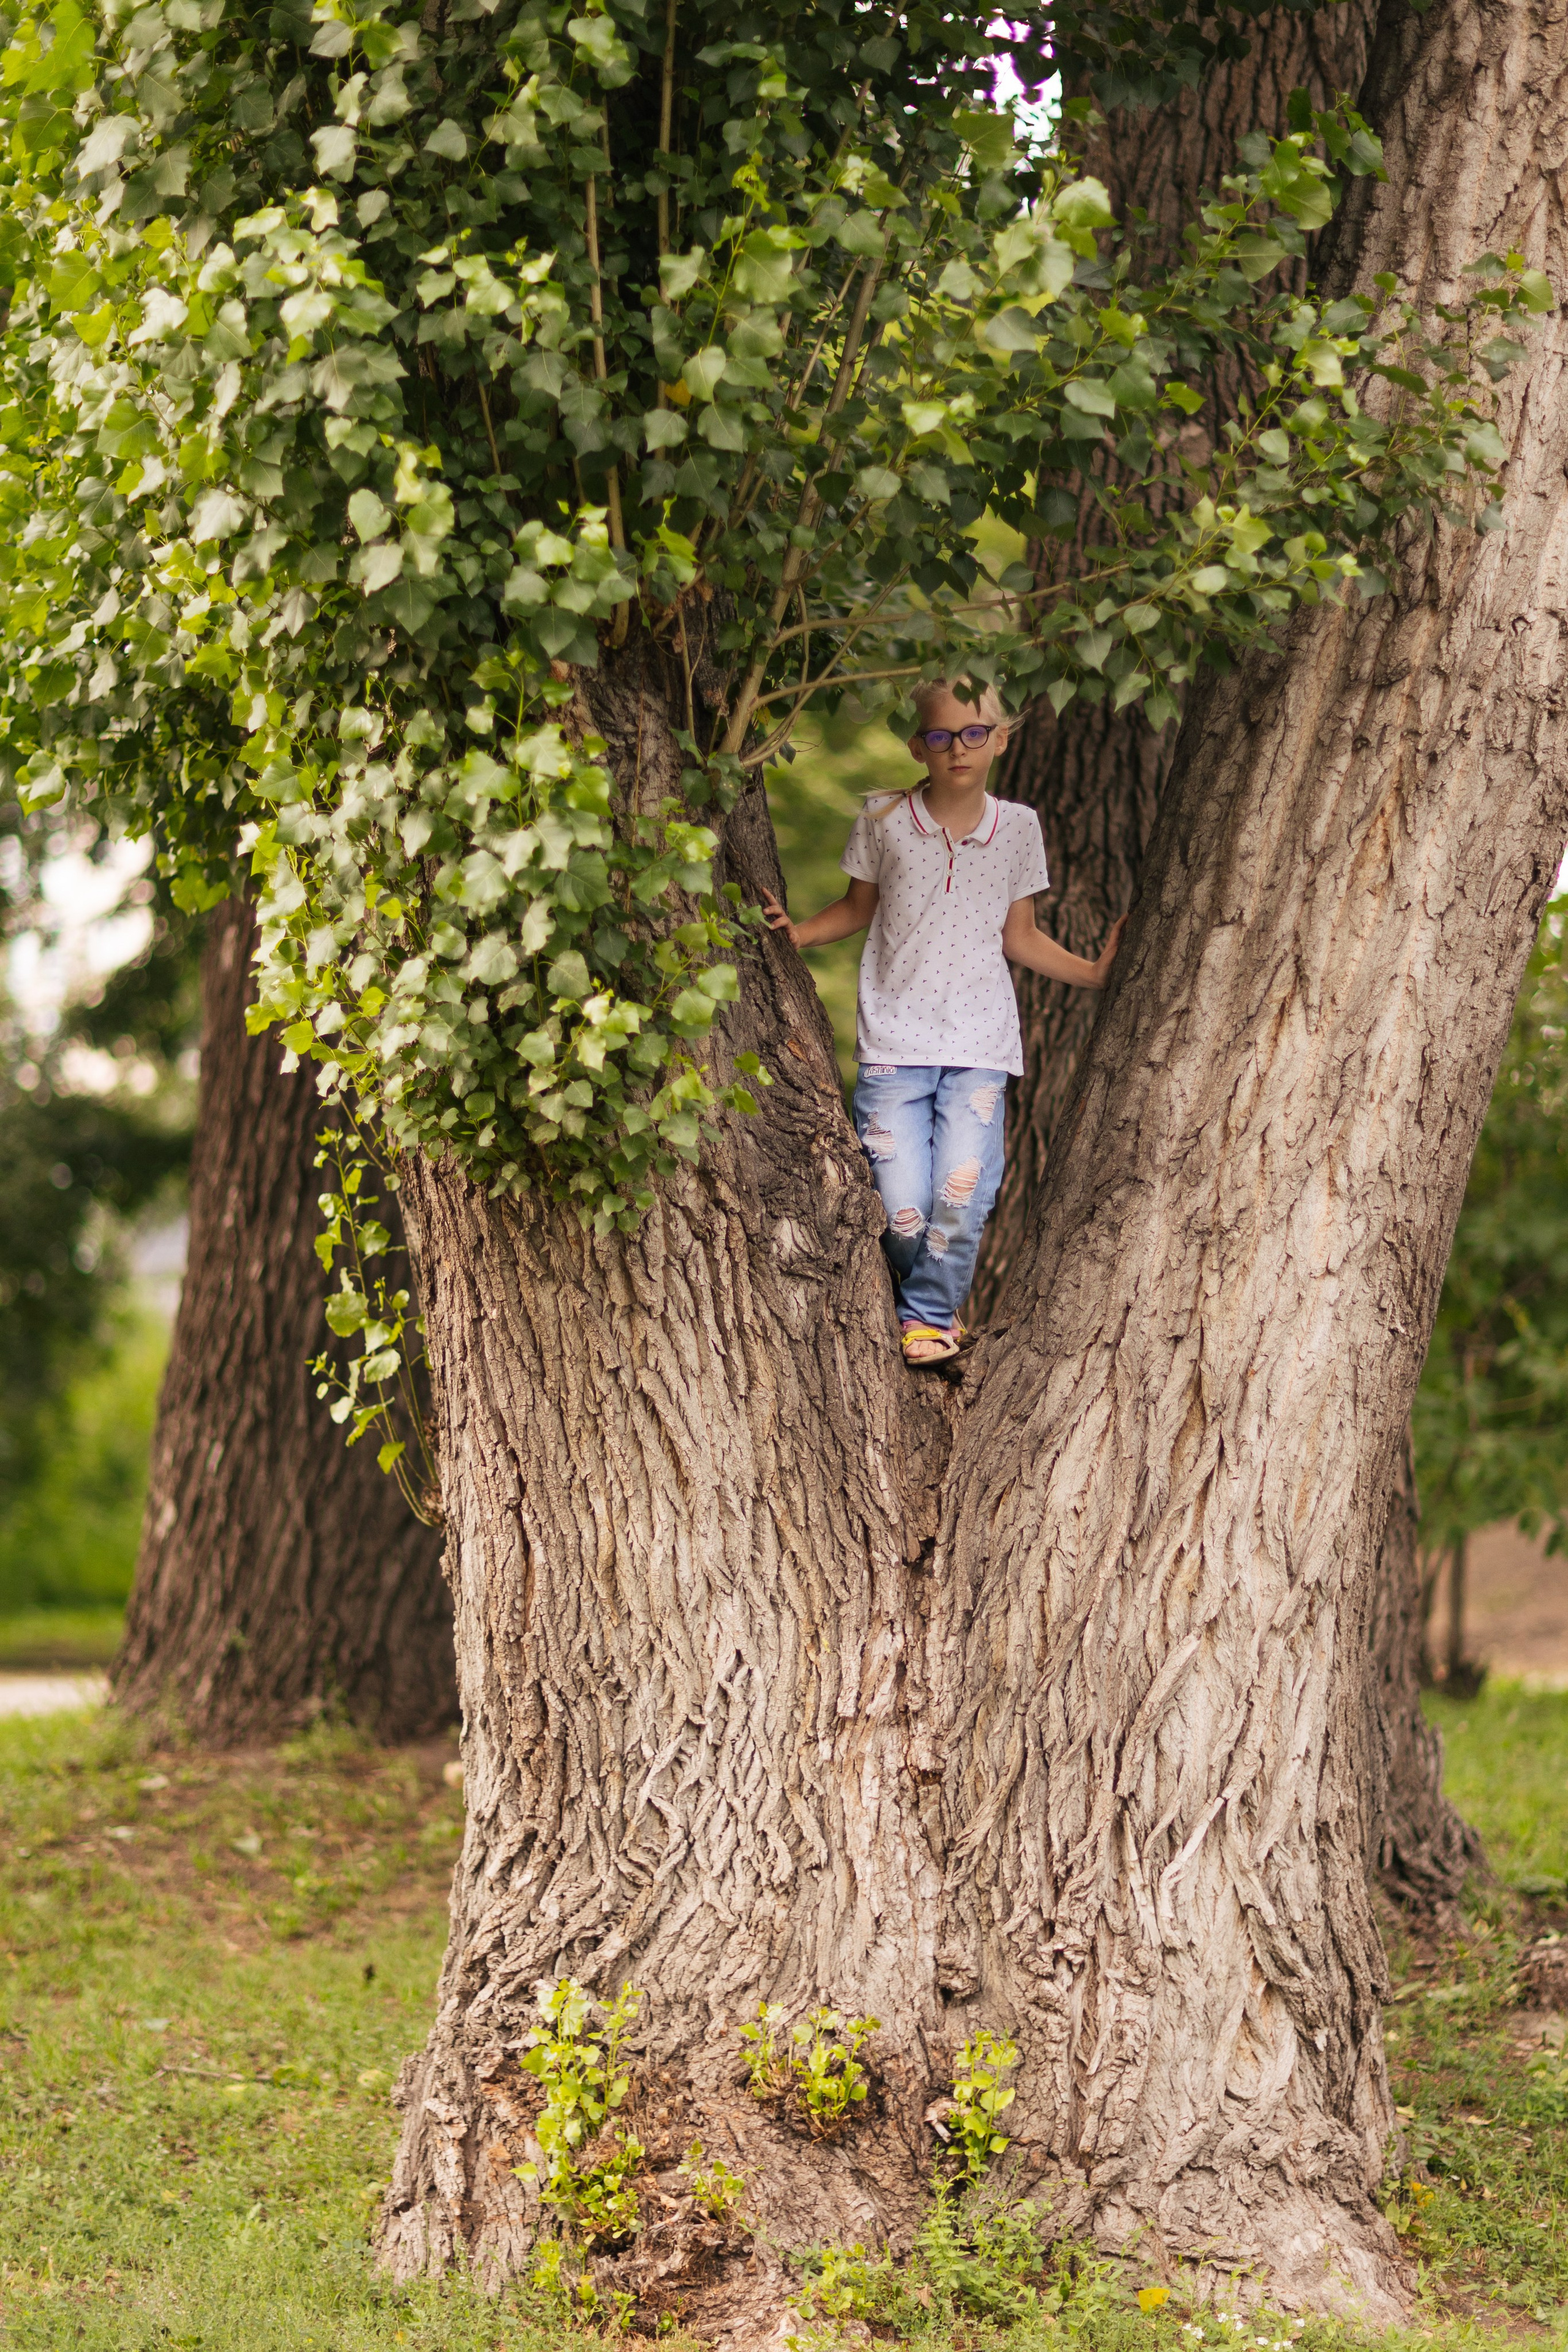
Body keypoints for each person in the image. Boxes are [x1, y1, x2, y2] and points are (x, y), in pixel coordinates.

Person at [762, 681, 1126, 1366]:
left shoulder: (1018, 826)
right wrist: (799, 935)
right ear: (917, 746)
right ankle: (928, 1293)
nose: (956, 749)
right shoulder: (883, 819)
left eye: (973, 734)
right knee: (901, 1207)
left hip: (979, 1048)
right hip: (894, 1045)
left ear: (1000, 740)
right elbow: (856, 908)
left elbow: (1019, 937)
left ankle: (928, 1320)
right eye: (939, 737)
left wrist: (1094, 974)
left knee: (960, 1194)